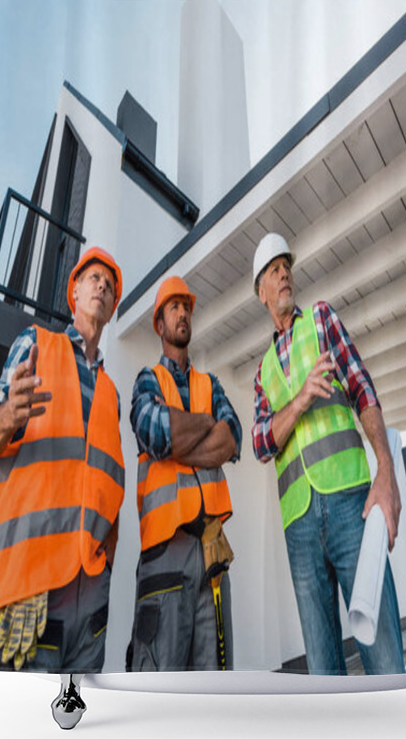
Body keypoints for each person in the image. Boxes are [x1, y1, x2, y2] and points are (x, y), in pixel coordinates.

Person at [251, 233, 405, 675]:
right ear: (261, 292)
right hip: (298, 526)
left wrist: (386, 472)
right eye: (273, 270)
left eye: (287, 266)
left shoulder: (320, 320)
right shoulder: (262, 371)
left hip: (350, 504)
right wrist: (298, 401)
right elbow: (262, 443)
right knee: (322, 671)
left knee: (385, 656)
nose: (284, 273)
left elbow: (361, 388)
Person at [0, 246, 125, 674]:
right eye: (94, 277)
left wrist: (106, 570)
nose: (103, 286)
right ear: (74, 290)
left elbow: (110, 489)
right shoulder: (35, 346)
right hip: (27, 589)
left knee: (74, 727)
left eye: (110, 285)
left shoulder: (111, 393)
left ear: (112, 309)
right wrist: (6, 416)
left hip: (89, 602)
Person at [127, 276, 241, 671]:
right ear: (159, 324)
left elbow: (231, 440)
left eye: (186, 307)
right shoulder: (147, 380)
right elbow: (157, 431)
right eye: (174, 307)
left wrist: (181, 439)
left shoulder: (211, 383)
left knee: (214, 684)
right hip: (165, 556)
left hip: (212, 552)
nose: (183, 313)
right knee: (160, 683)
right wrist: (206, 423)